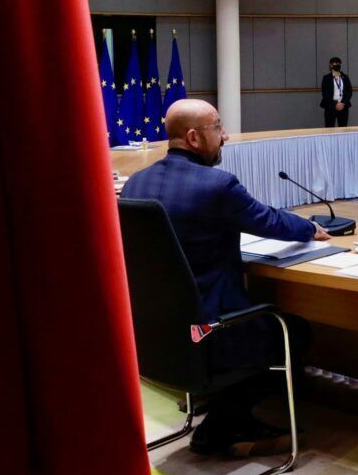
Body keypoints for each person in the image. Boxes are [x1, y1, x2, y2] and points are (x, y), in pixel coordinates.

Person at [122, 99, 330, 455]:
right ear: (193, 137)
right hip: (210, 331)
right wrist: (311, 227)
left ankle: (221, 411)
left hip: (155, 337)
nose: (226, 136)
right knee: (294, 331)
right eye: (218, 127)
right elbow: (269, 220)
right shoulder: (216, 185)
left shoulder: (135, 185)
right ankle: (223, 425)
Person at [320, 57, 352, 127]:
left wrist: (343, 103)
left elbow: (349, 92)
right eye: (335, 63)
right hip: (330, 106)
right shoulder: (326, 78)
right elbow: (325, 94)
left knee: (343, 128)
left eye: (339, 63)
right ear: (330, 65)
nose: (337, 65)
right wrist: (335, 104)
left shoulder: (345, 77)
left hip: (343, 106)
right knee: (329, 128)